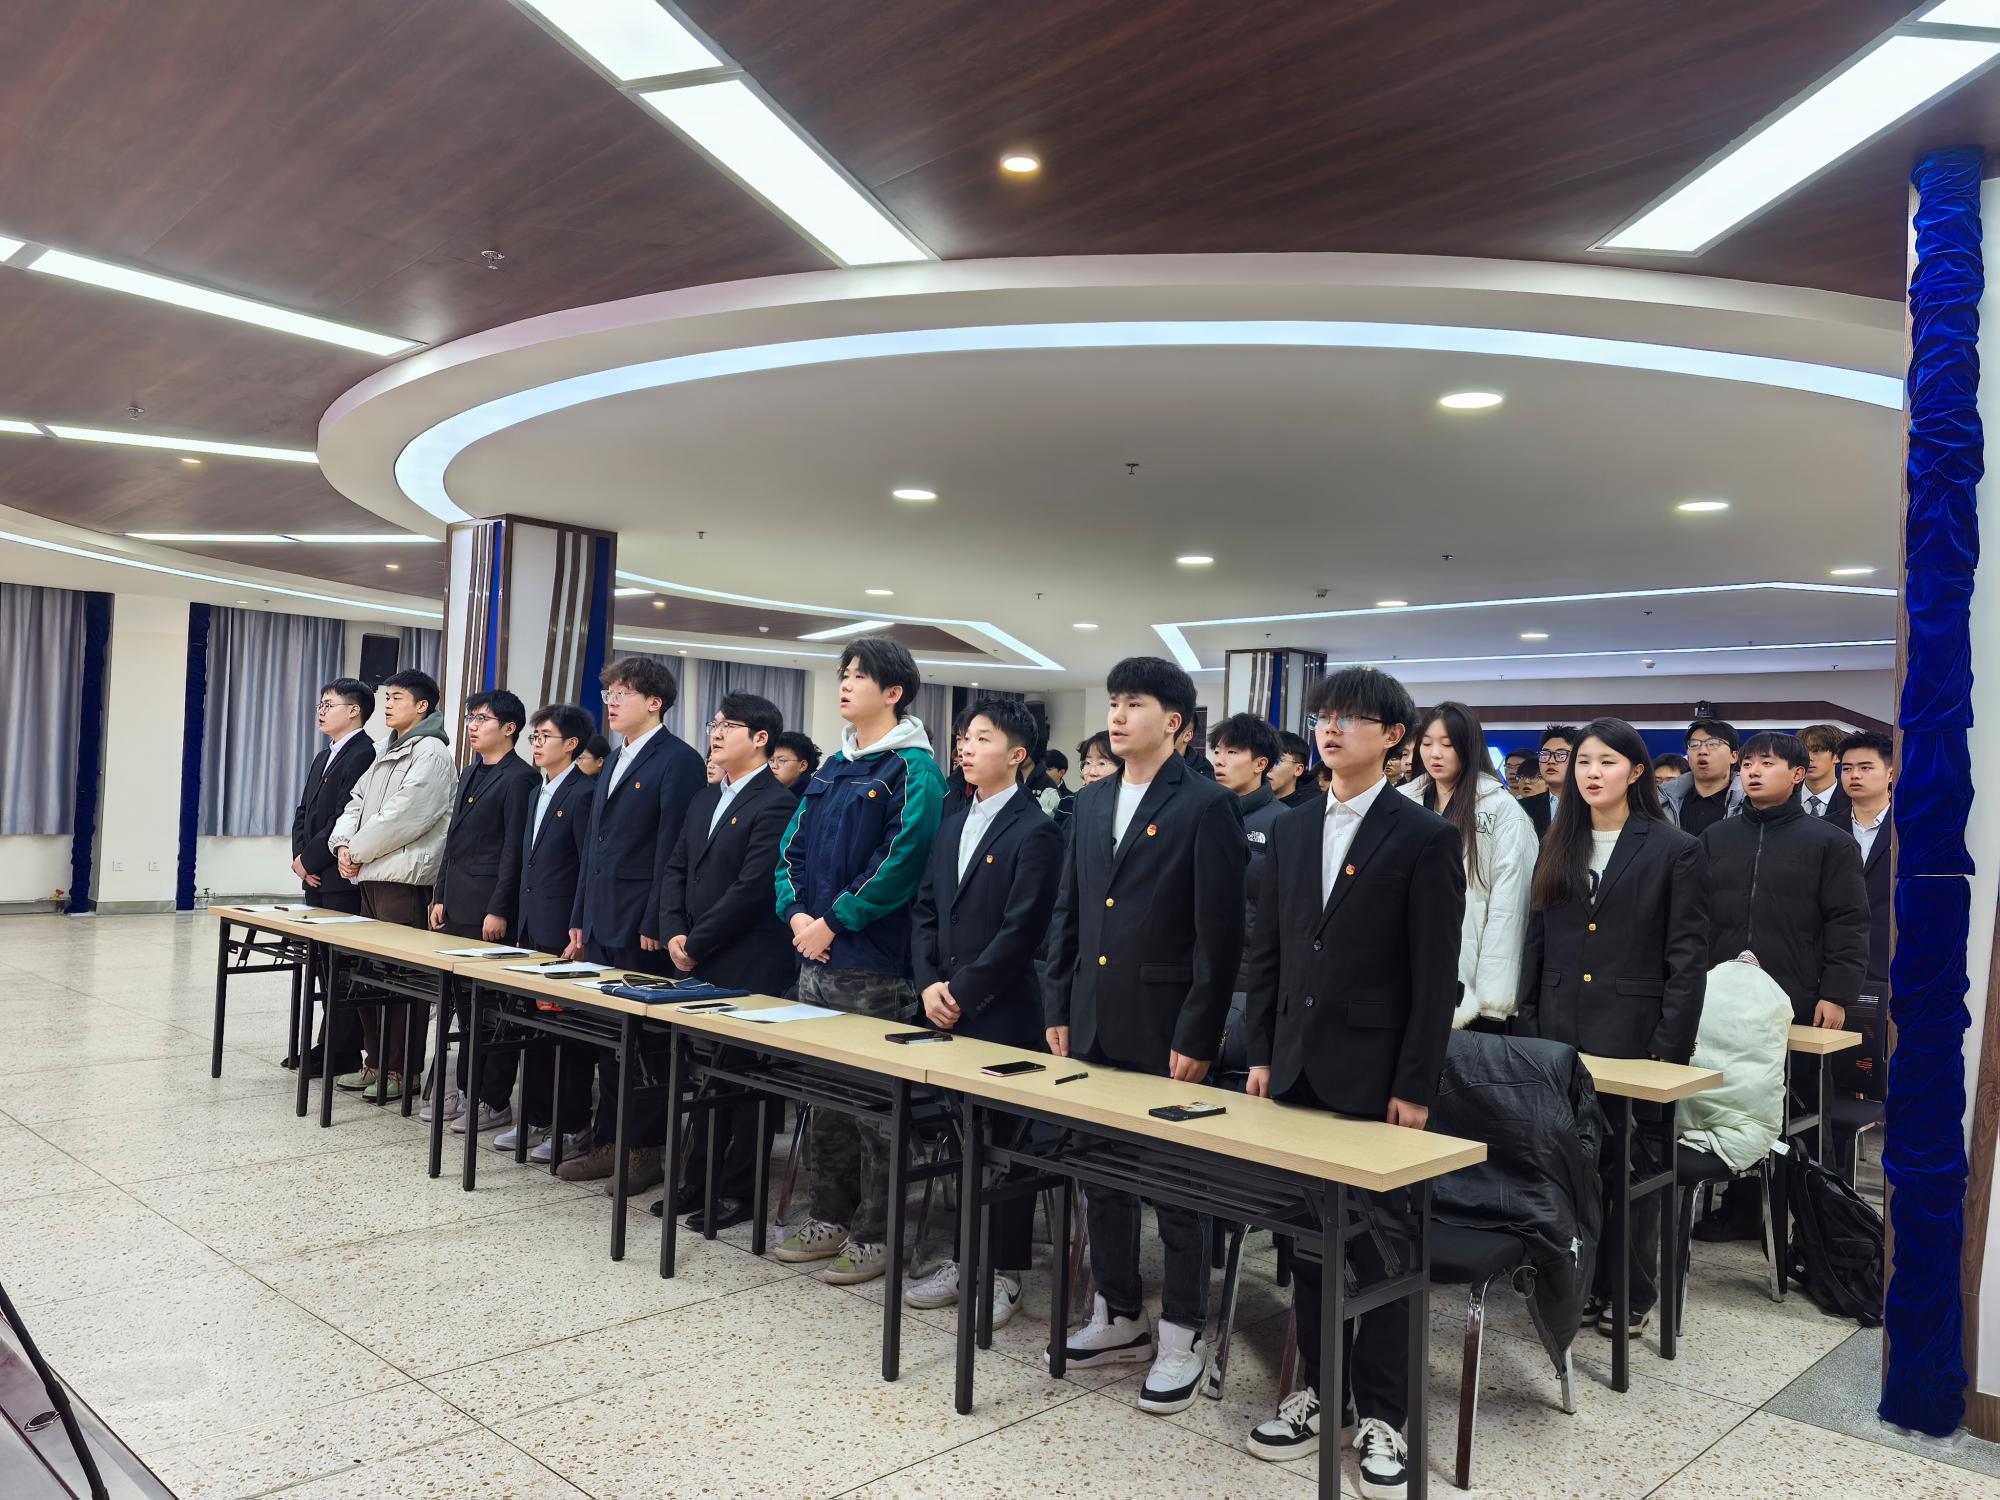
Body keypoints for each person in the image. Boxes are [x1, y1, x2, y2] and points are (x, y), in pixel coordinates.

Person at [1241, 666, 1464, 1497]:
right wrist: (1261, 1053)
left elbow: (1434, 976)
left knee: (1384, 1249)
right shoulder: (1294, 825)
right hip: (1297, 1066)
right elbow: (1271, 951)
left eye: (1352, 718)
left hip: (1378, 1076)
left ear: (1394, 736)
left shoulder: (1423, 836)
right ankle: (1320, 1391)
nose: (1331, 730)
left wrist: (1417, 1084)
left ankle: (1385, 1413)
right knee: (1309, 1243)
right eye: (1324, 717)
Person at [1045, 656, 1247, 1414]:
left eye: (1135, 704)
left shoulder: (1205, 805)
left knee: (1177, 1187)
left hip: (1167, 1028)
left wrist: (1199, 1033)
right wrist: (1058, 1004)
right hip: (1093, 1017)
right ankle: (1119, 1311)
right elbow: (1070, 910)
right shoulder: (1092, 800)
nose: (1118, 715)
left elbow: (1219, 937)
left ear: (1176, 722)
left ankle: (1182, 1334)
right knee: (1101, 1174)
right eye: (1114, 702)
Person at [1517, 718, 1707, 1338]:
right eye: (1583, 762)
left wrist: (1667, 1050)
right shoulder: (1558, 840)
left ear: (1636, 771)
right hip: (1557, 1033)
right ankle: (1574, 1283)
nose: (1592, 773)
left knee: (1630, 1172)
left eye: (1606, 762)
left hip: (1634, 1036)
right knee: (1567, 1169)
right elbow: (1537, 940)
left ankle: (1630, 1291)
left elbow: (1686, 959)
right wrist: (1529, 1026)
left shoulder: (1674, 848)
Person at [772, 637, 947, 1283]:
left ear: (893, 692)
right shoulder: (834, 767)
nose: (844, 685)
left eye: (857, 676)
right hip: (815, 960)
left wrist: (834, 921)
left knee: (877, 1113)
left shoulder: (913, 769)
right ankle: (830, 1216)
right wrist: (797, 915)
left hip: (874, 967)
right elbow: (791, 849)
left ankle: (878, 1234)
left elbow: (901, 862)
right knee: (824, 1100)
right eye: (842, 674)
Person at [906, 698, 1062, 1324]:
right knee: (960, 1138)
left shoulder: (1036, 830)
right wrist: (928, 986)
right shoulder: (952, 821)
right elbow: (924, 910)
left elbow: (1022, 932)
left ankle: (1002, 1273)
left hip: (1001, 1014)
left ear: (1017, 754)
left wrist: (962, 993)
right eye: (964, 738)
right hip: (941, 1008)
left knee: (1003, 1146)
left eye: (981, 738)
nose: (965, 747)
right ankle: (963, 1257)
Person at [1693, 732, 1869, 1237]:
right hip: (1722, 1001)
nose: (1752, 770)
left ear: (1797, 774)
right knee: (1732, 1100)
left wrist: (1837, 993)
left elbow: (1848, 922)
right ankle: (1745, 1208)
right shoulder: (1716, 838)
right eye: (1747, 763)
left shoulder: (1829, 843)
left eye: (1766, 763)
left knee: (1801, 1106)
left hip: (1798, 996)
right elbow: (1694, 916)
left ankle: (1815, 1224)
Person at [559, 657, 707, 1188]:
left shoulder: (678, 760)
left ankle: (645, 1150)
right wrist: (580, 916)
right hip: (601, 918)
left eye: (623, 692)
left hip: (641, 923)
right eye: (609, 693)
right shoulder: (616, 757)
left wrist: (657, 920)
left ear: (655, 702)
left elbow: (672, 849)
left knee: (646, 1047)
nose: (612, 702)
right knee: (609, 1041)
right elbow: (593, 848)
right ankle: (609, 1141)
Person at [655, 692, 798, 1232]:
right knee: (708, 1079)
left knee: (743, 1083)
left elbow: (752, 888)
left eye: (728, 725)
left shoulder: (776, 803)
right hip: (696, 954)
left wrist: (697, 942)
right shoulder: (705, 796)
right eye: (714, 724)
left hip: (748, 960)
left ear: (760, 739)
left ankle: (740, 1191)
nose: (715, 733)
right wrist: (674, 931)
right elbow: (676, 868)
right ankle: (696, 1180)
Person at [327, 669, 455, 1102]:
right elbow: (357, 802)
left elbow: (406, 816)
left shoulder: (431, 752)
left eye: (396, 697)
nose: (387, 704)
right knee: (370, 975)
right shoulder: (386, 747)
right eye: (386, 697)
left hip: (403, 879)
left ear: (422, 705)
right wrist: (343, 845)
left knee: (404, 981)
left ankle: (403, 1069)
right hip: (370, 873)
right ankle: (376, 1061)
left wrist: (357, 850)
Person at [426, 689, 539, 1134]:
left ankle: (493, 1099)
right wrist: (439, 895)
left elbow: (514, 851)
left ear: (509, 728)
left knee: (490, 1011)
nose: (472, 726)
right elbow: (453, 841)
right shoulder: (471, 770)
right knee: (463, 1007)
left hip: (489, 910)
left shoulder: (520, 778)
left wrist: (499, 908)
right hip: (457, 903)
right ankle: (465, 1090)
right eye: (471, 718)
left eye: (482, 719)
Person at [496, 702, 597, 1162]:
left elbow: (585, 869)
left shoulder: (584, 793)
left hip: (563, 931)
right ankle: (535, 1118)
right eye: (533, 737)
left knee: (568, 1035)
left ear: (571, 744)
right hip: (531, 926)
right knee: (533, 1029)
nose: (535, 744)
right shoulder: (538, 791)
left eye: (544, 737)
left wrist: (578, 927)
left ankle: (572, 1125)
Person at [1400, 702, 1538, 1032]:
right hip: (1402, 970)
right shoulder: (1402, 802)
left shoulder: (1502, 810)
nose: (1435, 753)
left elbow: (1510, 909)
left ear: (1469, 746)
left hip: (1469, 978)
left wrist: (1493, 1000)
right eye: (1427, 743)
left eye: (1447, 744)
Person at [288, 678, 377, 1076]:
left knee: (342, 970)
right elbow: (304, 812)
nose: (321, 712)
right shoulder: (324, 755)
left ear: (354, 710)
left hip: (339, 879)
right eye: (320, 705)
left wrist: (311, 860)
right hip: (315, 875)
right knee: (323, 967)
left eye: (329, 704)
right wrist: (299, 859)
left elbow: (345, 817)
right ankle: (328, 1046)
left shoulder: (364, 753)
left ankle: (342, 1051)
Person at [1210, 714, 1286, 993]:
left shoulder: (1283, 823)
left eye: (1232, 752)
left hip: (1248, 975)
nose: (1219, 761)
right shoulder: (1203, 814)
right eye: (1217, 752)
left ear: (1260, 764)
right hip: (1197, 966)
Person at [1839, 730, 1894, 1009]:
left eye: (1865, 768)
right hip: (1834, 963)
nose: (1854, 775)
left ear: (1890, 773)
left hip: (1890, 958)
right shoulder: (1824, 829)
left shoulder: (1907, 830)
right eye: (1847, 768)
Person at [1659, 717, 1743, 835]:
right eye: (1694, 745)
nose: (1702, 751)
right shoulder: (1663, 801)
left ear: (1734, 756)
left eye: (1713, 744)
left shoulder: (1749, 802)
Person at [1515, 725, 1578, 838]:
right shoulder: (1522, 808)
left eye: (1560, 755)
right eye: (1545, 755)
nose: (1551, 761)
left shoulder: (1593, 806)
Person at [1798, 723, 1850, 821]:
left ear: (1837, 756)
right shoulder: (1783, 797)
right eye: (1804, 751)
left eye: (1816, 751)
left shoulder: (1852, 800)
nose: (1809, 758)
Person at [1270, 731, 1315, 808]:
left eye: (1277, 761)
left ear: (1298, 770)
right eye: (1267, 758)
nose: (1268, 766)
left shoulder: (1307, 810)